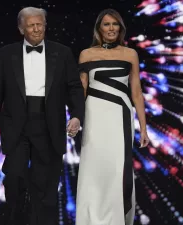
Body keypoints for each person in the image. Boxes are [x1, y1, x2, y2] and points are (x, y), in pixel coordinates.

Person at [0, 7, 85, 225]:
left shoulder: (63, 52)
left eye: (40, 24)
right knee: (14, 178)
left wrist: (77, 115)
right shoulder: (5, 54)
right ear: (22, 29)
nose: (37, 29)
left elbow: (74, 88)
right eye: (31, 25)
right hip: (16, 125)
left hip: (49, 125)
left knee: (46, 186)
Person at [75, 9, 150, 225]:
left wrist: (143, 128)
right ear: (99, 28)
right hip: (94, 115)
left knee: (118, 168)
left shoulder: (130, 54)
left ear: (120, 28)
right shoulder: (86, 54)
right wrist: (76, 118)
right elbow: (82, 90)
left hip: (120, 115)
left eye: (115, 24)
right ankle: (91, 219)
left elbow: (136, 92)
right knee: (94, 166)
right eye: (106, 24)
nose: (111, 28)